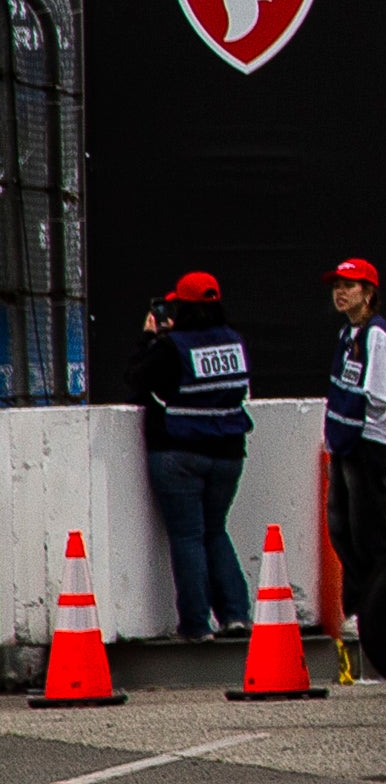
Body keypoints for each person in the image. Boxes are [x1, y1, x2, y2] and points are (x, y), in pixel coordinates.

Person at [129, 271, 254, 642]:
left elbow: (136, 379)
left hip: (180, 452)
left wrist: (149, 338)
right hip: (229, 453)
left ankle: (197, 625)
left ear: (181, 307)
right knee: (215, 531)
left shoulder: (173, 347)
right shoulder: (235, 342)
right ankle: (235, 615)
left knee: (187, 537)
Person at [322, 256, 386, 637]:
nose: (340, 293)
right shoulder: (350, 336)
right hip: (348, 441)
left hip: (365, 443)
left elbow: (379, 396)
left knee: (369, 532)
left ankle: (382, 609)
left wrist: (364, 434)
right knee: (342, 528)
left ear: (369, 292)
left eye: (349, 286)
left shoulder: (376, 335)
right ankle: (361, 607)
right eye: (337, 286)